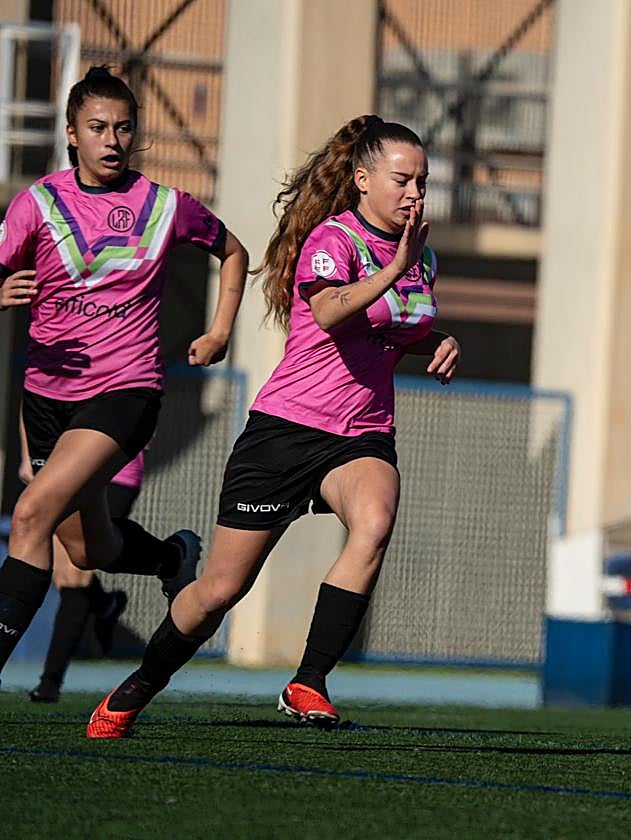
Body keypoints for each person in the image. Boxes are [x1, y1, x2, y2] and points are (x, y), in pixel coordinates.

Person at [86, 115, 461, 738]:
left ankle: (309, 681)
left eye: (422, 180)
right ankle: (136, 688)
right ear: (363, 180)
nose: (415, 193)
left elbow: (397, 332)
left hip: (361, 432)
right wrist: (397, 268)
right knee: (219, 590)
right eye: (403, 179)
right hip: (285, 431)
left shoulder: (422, 256)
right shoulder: (332, 241)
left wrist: (440, 341)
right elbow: (333, 311)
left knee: (375, 522)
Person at [0, 66, 248, 686]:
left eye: (123, 128)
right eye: (97, 127)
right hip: (46, 396)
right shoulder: (39, 203)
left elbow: (235, 251)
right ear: (71, 134)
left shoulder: (164, 206)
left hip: (124, 393)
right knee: (86, 548)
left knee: (30, 514)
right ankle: (171, 556)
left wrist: (219, 331)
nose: (112, 139)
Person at [17, 416, 141, 702]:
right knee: (67, 575)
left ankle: (50, 682)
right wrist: (28, 455)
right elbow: (34, 393)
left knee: (77, 572)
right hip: (62, 466)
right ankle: (105, 604)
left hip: (116, 470)